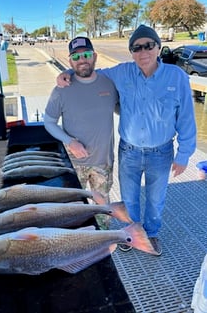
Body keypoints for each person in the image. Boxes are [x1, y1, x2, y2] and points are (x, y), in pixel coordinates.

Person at [56, 25, 197, 255]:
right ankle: (131, 233)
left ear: (158, 47)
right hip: (129, 151)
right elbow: (92, 72)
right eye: (137, 47)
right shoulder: (121, 72)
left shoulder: (177, 77)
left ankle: (150, 234)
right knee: (129, 198)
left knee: (155, 200)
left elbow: (186, 119)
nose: (143, 52)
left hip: (161, 153)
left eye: (149, 45)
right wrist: (68, 73)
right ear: (131, 52)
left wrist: (184, 155)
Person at [44, 36, 119, 228]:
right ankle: (77, 237)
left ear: (94, 56)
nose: (82, 60)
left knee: (102, 204)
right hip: (74, 163)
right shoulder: (61, 90)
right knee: (73, 206)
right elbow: (49, 122)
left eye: (86, 55)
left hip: (103, 162)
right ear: (70, 61)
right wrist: (69, 141)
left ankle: (103, 236)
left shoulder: (109, 84)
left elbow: (122, 109)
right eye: (76, 57)